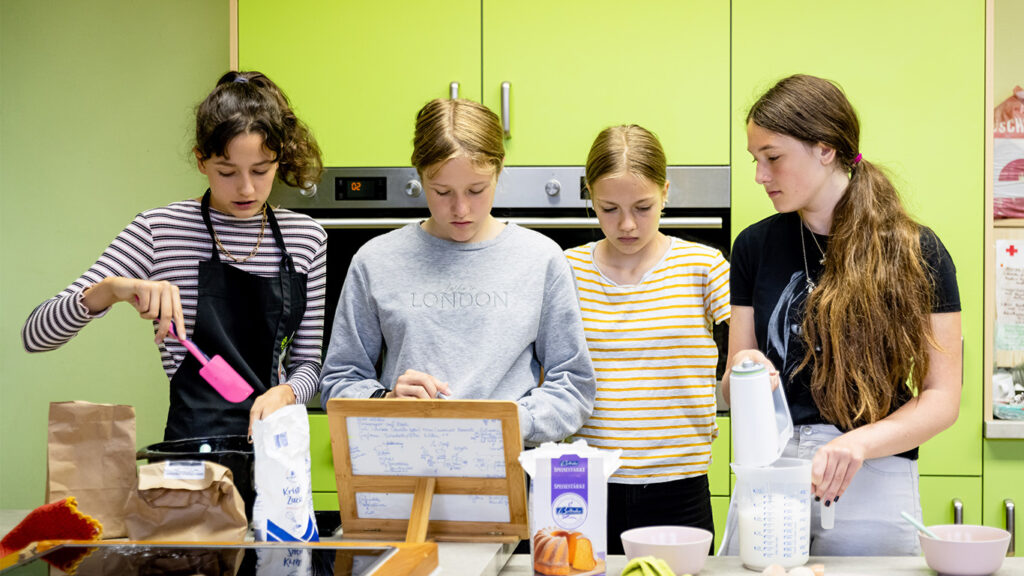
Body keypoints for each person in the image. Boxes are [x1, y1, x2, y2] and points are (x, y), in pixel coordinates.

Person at [722, 74, 962, 555]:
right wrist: (746, 376)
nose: (759, 176)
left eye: (772, 158)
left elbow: (942, 397)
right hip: (773, 470)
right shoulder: (753, 246)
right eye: (756, 160)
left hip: (873, 470)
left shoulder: (917, 251)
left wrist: (859, 443)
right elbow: (729, 385)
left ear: (825, 148)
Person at [22, 71, 327, 441]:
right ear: (201, 161)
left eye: (261, 171)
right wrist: (112, 290)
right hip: (191, 459)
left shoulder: (306, 238)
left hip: (277, 449)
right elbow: (35, 336)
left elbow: (308, 363)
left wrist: (289, 392)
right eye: (226, 171)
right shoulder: (160, 230)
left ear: (280, 160)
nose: (246, 188)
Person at [319, 98, 596, 444]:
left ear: (499, 168)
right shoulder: (375, 261)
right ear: (419, 175)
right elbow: (339, 381)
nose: (461, 209)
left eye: (476, 190)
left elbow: (573, 386)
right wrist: (386, 402)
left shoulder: (541, 260)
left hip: (506, 477)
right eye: (442, 192)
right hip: (402, 475)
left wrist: (509, 422)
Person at [564, 125, 730, 554]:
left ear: (666, 191)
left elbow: (751, 352)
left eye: (643, 207)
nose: (626, 224)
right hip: (583, 486)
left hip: (679, 485)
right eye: (608, 208)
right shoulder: (566, 270)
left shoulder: (704, 267)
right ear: (589, 196)